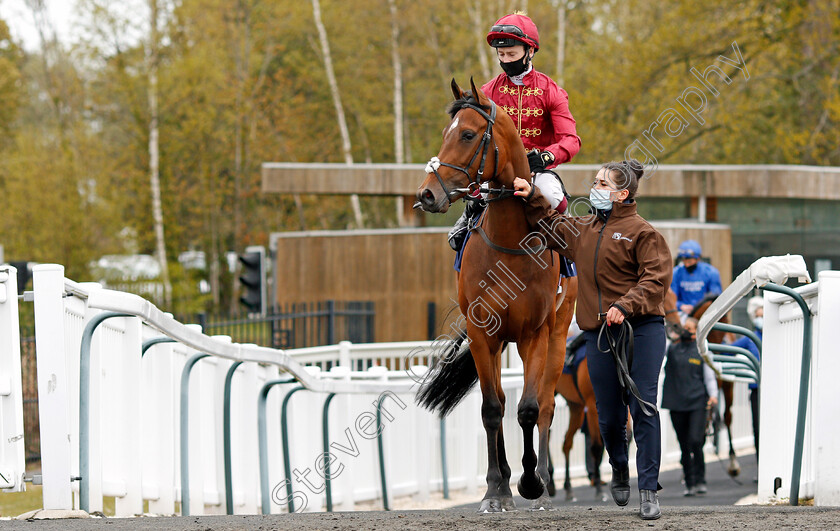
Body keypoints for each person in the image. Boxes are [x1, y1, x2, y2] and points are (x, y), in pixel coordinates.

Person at [512, 159, 672, 521]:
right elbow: (552, 225)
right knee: (608, 416)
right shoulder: (584, 229)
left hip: (642, 331)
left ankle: (648, 488)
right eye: (596, 181)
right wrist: (531, 195)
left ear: (622, 193)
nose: (594, 188)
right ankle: (618, 466)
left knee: (643, 406)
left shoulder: (645, 233)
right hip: (598, 334)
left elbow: (655, 280)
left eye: (602, 183)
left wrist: (625, 305)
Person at [448, 12, 581, 252]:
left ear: (529, 51)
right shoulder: (487, 92)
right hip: (496, 173)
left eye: (512, 54)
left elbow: (570, 140)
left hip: (537, 172)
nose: (506, 60)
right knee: (476, 198)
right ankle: (466, 228)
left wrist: (545, 157)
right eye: (501, 55)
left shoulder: (552, 92)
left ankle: (567, 261)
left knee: (551, 196)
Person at [661, 317, 718, 496]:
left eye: (691, 329)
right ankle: (690, 482)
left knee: (695, 441)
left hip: (697, 401)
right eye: (685, 328)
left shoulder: (702, 351)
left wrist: (714, 395)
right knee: (684, 445)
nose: (688, 331)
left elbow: (709, 376)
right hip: (676, 403)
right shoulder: (671, 349)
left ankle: (701, 479)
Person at [729, 296, 763, 463]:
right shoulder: (749, 338)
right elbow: (728, 350)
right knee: (758, 429)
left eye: (763, 316)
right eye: (758, 316)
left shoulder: (778, 334)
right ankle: (760, 465)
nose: (760, 319)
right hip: (757, 389)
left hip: (776, 390)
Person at [671, 240, 722, 317]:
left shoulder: (711, 272)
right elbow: (671, 298)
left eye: (690, 261)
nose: (687, 264)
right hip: (682, 314)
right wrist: (681, 306)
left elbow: (716, 296)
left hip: (705, 313)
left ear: (698, 259)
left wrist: (700, 308)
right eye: (684, 260)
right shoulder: (675, 273)